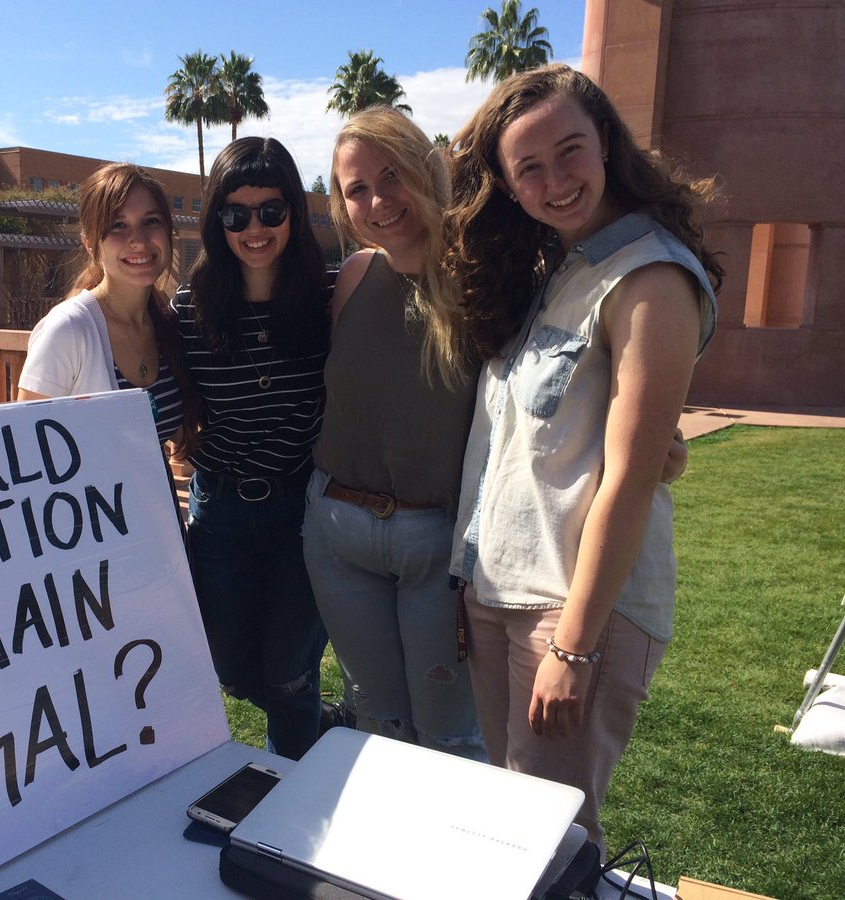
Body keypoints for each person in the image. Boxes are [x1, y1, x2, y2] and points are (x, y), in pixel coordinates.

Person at [445, 64, 721, 853]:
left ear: (603, 139)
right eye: (528, 167)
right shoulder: (554, 271)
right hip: (498, 592)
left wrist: (574, 645)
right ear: (507, 184)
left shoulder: (651, 276)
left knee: (551, 840)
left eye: (569, 151)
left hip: (570, 608)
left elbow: (630, 479)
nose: (555, 181)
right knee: (510, 824)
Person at [301, 107, 494, 760]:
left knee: (450, 736)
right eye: (357, 189)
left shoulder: (480, 282)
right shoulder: (355, 276)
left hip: (437, 545)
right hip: (336, 534)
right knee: (376, 723)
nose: (379, 201)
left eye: (393, 176)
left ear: (424, 169)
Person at [173, 137, 331, 760]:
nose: (255, 228)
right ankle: (321, 722)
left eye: (271, 210)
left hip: (301, 510)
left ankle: (292, 792)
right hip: (221, 511)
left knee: (289, 673)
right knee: (231, 669)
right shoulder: (191, 307)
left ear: (294, 211)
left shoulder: (330, 296)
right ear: (217, 220)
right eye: (235, 214)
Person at [17, 162, 193, 449]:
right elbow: (25, 442)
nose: (139, 240)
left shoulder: (165, 325)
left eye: (151, 221)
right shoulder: (67, 329)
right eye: (118, 226)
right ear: (90, 244)